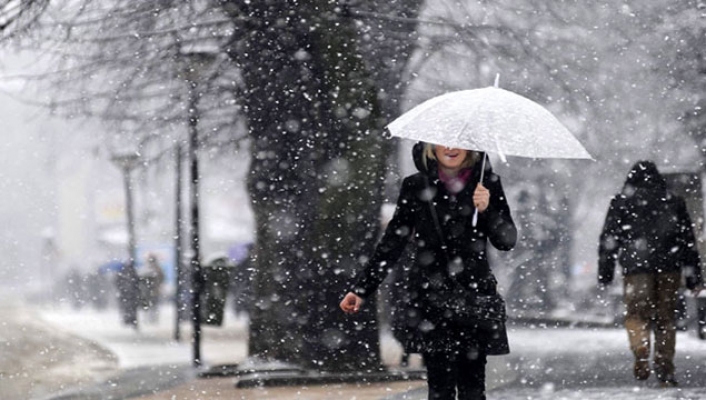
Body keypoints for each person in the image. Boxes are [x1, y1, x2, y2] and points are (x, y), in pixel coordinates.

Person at [340, 142, 517, 400]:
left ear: (470, 149)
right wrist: (361, 289)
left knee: (473, 388)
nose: (450, 148)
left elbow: (507, 241)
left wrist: (487, 209)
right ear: (431, 147)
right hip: (431, 300)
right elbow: (393, 242)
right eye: (442, 141)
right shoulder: (416, 186)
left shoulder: (486, 183)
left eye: (459, 143)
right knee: (440, 388)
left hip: (474, 299)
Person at [598, 160, 703, 387]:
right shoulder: (674, 202)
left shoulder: (621, 202)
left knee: (637, 315)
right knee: (666, 319)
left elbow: (609, 238)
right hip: (669, 267)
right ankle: (665, 366)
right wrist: (694, 276)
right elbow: (687, 241)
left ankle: (640, 347)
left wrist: (605, 272)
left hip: (636, 270)